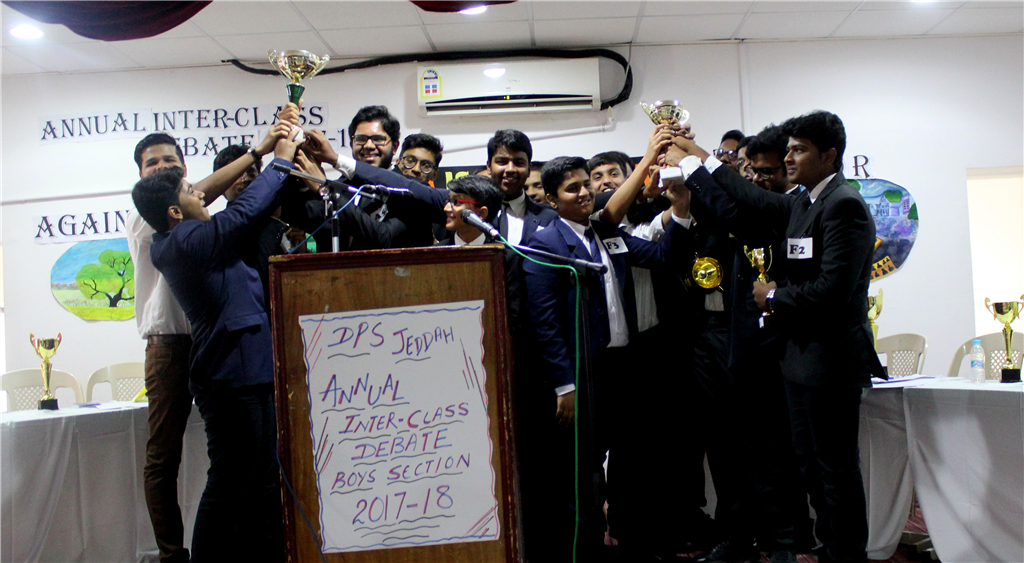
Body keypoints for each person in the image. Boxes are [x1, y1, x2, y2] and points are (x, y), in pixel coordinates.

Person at [663, 110, 884, 563]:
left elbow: (834, 290)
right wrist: (694, 157)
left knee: (836, 472)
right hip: (800, 358)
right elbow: (744, 195)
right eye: (789, 149)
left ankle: (846, 555)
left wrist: (774, 296)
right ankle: (831, 551)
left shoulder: (842, 204)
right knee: (814, 469)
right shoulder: (806, 203)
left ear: (829, 156)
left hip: (830, 360)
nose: (789, 158)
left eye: (799, 150)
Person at [131, 119, 300, 562]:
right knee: (229, 480)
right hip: (229, 373)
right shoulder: (186, 240)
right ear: (176, 211)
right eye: (193, 193)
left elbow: (201, 198)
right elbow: (245, 212)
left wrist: (259, 150)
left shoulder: (182, 231)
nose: (202, 194)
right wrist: (280, 162)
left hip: (250, 365)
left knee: (261, 476)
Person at [524, 156, 690, 561]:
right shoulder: (545, 243)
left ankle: (633, 544)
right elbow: (545, 324)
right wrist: (564, 385)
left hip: (625, 368)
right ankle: (586, 550)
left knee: (631, 465)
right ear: (551, 199)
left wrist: (681, 211)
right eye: (572, 188)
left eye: (586, 184)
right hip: (583, 375)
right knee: (585, 473)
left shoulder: (607, 232)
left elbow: (663, 257)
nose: (585, 192)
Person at [744, 125, 802, 195]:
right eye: (754, 170)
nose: (756, 178)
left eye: (765, 171)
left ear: (788, 166)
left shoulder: (804, 201)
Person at [348, 105, 400, 170]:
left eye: (378, 139)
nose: (368, 146)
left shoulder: (404, 177)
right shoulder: (343, 177)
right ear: (352, 145)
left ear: (395, 147)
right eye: (361, 139)